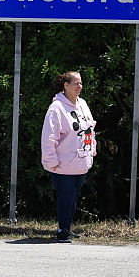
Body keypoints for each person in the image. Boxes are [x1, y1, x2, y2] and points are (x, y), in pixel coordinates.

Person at [41, 71, 97, 243]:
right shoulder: (56, 108)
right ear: (66, 85)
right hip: (63, 166)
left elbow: (90, 129)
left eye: (81, 83)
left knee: (73, 198)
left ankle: (66, 227)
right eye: (76, 83)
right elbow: (49, 137)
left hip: (81, 163)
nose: (80, 87)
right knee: (66, 198)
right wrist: (52, 162)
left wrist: (92, 151)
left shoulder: (83, 104)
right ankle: (62, 230)